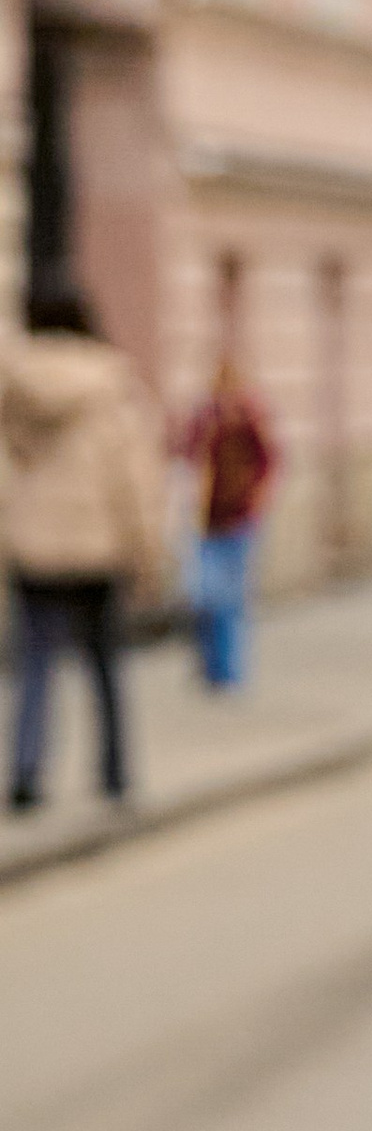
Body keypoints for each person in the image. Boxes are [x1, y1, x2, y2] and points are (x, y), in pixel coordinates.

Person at [4, 289, 168, 811]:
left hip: (35, 550)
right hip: (98, 549)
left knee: (35, 665)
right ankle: (115, 774)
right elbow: (133, 480)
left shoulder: (16, 386)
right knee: (104, 668)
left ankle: (26, 773)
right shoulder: (111, 384)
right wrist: (147, 554)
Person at [180, 353, 278, 689]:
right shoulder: (205, 419)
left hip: (239, 518)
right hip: (206, 519)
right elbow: (187, 456)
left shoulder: (251, 418)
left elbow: (269, 461)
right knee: (204, 596)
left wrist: (257, 501)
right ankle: (211, 666)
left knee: (231, 599)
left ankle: (230, 672)